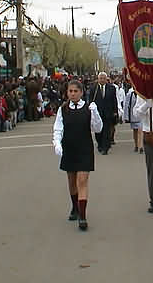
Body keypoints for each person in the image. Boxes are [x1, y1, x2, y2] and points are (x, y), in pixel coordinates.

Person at [52, 80, 103, 231]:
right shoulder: (63, 109)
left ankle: (82, 215)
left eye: (75, 91)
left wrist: (95, 113)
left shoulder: (88, 108)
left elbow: (98, 128)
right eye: (70, 91)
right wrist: (57, 143)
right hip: (69, 148)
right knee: (72, 181)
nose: (73, 94)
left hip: (84, 148)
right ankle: (75, 207)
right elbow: (58, 128)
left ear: (81, 92)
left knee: (82, 181)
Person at [88, 72, 118, 155]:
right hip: (97, 114)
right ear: (98, 79)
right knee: (98, 132)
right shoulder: (93, 88)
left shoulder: (111, 88)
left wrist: (115, 111)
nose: (102, 80)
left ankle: (106, 147)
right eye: (100, 78)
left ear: (106, 79)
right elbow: (90, 101)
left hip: (108, 113)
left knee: (107, 131)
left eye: (103, 78)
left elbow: (114, 100)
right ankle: (100, 144)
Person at [123, 86, 144, 154]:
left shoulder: (143, 94)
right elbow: (126, 105)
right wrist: (126, 117)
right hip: (133, 116)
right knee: (135, 131)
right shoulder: (130, 95)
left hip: (141, 115)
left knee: (140, 131)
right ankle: (136, 145)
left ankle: (140, 146)